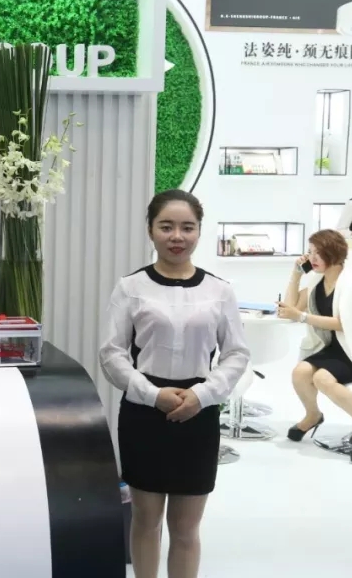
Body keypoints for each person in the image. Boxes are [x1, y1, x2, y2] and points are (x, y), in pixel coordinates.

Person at [98, 189, 249, 578]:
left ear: (198, 231)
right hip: (144, 413)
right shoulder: (130, 287)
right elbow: (111, 354)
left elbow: (236, 354)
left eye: (187, 227)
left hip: (198, 413)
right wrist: (153, 395)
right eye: (166, 227)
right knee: (146, 521)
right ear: (150, 230)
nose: (177, 236)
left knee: (186, 529)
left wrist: (202, 395)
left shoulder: (219, 290)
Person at [278, 229, 352, 465]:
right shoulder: (317, 280)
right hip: (333, 347)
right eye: (310, 252)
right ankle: (313, 415)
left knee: (322, 378)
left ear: (334, 253)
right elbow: (290, 309)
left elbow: (345, 324)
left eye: (318, 253)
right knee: (300, 372)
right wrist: (296, 275)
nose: (312, 258)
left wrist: (302, 317)